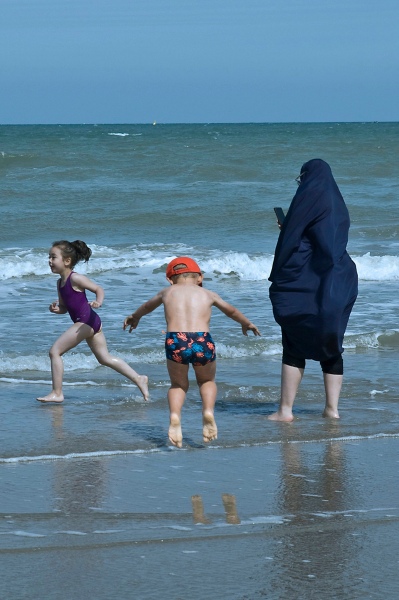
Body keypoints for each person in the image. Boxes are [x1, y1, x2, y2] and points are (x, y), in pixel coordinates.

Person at [123, 256, 261, 448]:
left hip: (176, 340)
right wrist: (246, 323)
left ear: (170, 279)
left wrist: (134, 317)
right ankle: (208, 412)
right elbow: (231, 310)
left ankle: (174, 416)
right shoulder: (208, 294)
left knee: (178, 385)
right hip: (202, 340)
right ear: (200, 278)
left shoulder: (167, 292)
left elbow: (147, 307)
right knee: (206, 381)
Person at [268, 159, 358, 421]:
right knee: (332, 344)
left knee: (294, 342)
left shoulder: (308, 195)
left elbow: (292, 240)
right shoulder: (338, 203)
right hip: (340, 280)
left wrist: (286, 231)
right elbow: (328, 239)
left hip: (309, 281)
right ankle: (332, 410)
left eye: (301, 178)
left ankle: (285, 411)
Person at [37, 240, 149, 403]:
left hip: (86, 322)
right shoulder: (60, 283)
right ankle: (139, 378)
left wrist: (99, 301)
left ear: (67, 261)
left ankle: (57, 392)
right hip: (90, 322)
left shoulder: (76, 278)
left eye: (53, 257)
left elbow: (98, 288)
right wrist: (56, 309)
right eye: (49, 257)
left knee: (55, 352)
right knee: (104, 358)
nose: (49, 261)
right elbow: (64, 307)